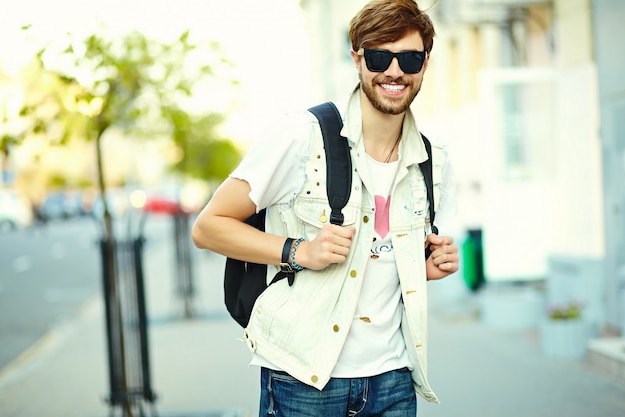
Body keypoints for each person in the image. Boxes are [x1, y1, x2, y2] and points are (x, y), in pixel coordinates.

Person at [192, 0, 459, 415]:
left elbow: (385, 257)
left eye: (409, 58)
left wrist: (424, 266)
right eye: (378, 57)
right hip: (305, 379)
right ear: (357, 59)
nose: (394, 71)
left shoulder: (432, 159)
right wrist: (299, 251)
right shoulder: (301, 137)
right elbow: (208, 227)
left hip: (395, 378)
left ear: (425, 62)